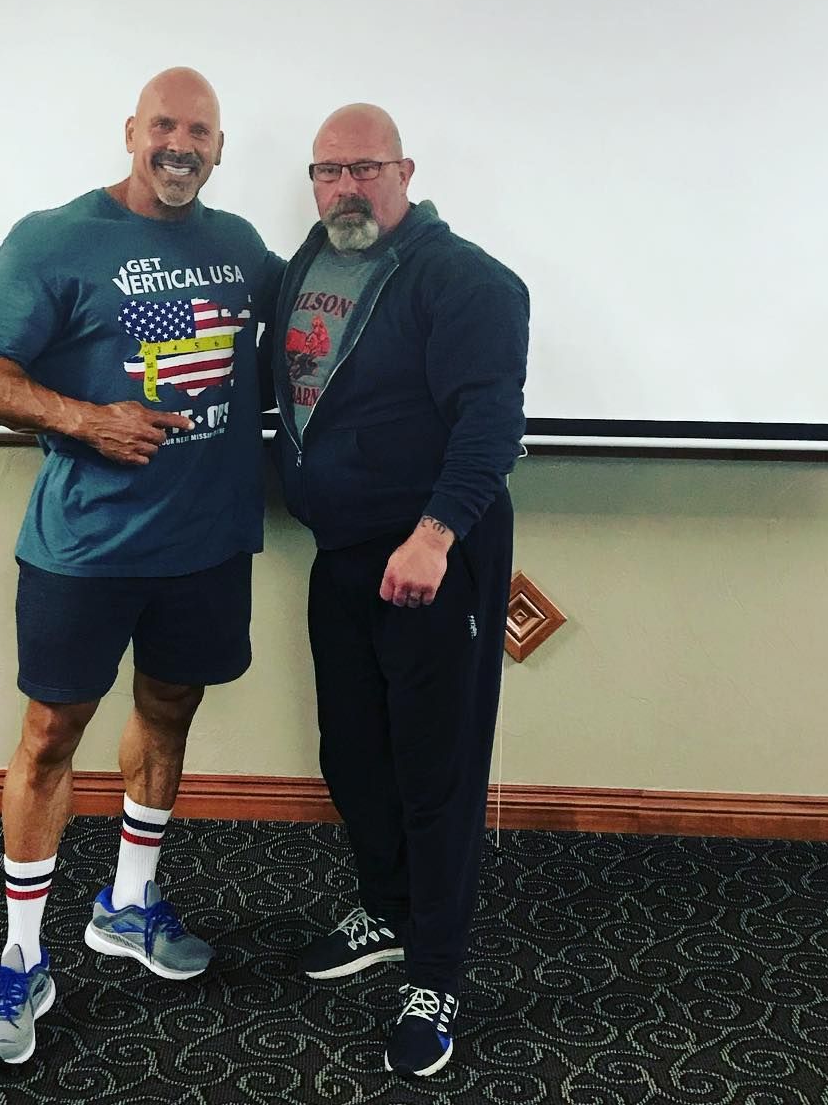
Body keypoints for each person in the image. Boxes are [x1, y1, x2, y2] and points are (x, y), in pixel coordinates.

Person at [0, 67, 279, 1066]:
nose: (181, 145)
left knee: (171, 712)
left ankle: (128, 904)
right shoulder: (54, 238)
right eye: (164, 127)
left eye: (201, 132)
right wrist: (85, 419)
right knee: (51, 734)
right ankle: (20, 960)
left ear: (221, 150)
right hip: (85, 548)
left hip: (207, 543)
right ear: (131, 133)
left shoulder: (240, 250)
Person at [270, 103, 529, 1078]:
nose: (344, 188)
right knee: (352, 754)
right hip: (343, 554)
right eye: (327, 172)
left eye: (363, 169)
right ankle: (383, 906)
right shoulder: (308, 265)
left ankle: (437, 970)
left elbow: (490, 423)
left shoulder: (465, 280)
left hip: (430, 557)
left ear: (405, 170)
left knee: (436, 770)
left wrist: (433, 535)